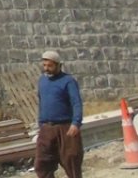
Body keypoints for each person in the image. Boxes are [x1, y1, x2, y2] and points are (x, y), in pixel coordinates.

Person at [36, 50, 83, 178]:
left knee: (71, 162)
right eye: (44, 65)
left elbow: (76, 103)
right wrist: (40, 124)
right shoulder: (42, 81)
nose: (46, 69)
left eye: (50, 66)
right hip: (47, 128)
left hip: (65, 128)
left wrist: (76, 123)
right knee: (42, 164)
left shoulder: (68, 81)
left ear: (58, 65)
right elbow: (41, 102)